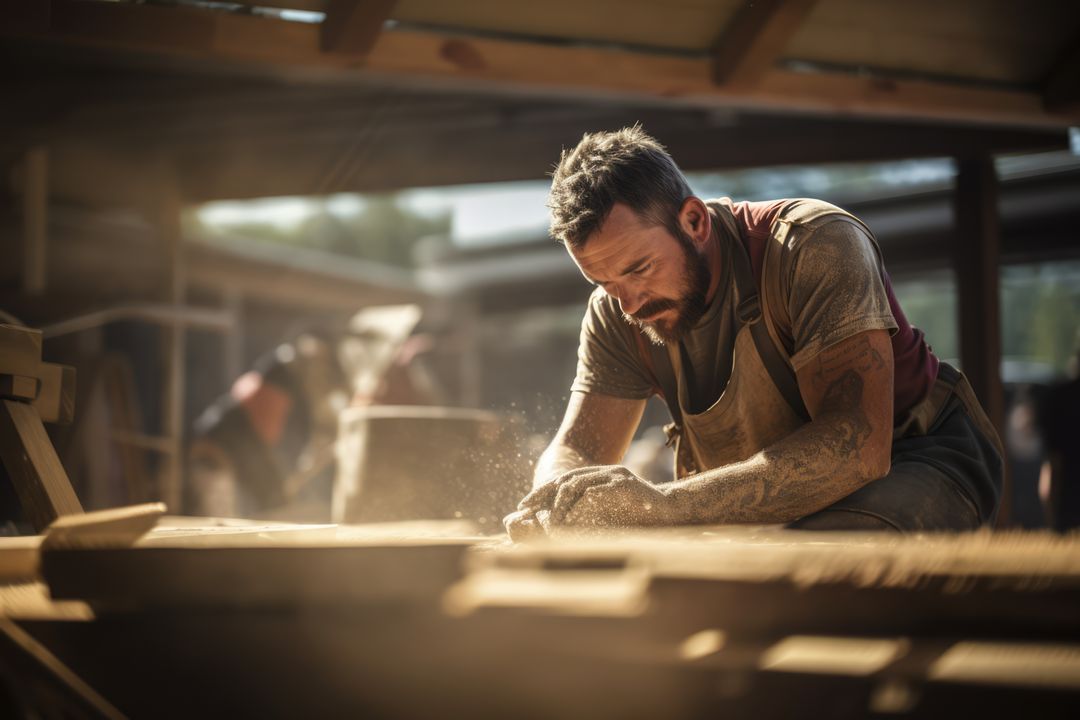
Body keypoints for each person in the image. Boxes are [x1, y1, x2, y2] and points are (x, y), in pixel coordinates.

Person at [504, 126, 1002, 539]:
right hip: (765, 499)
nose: (629, 303)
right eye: (604, 282)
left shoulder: (813, 246)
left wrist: (662, 506)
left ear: (694, 220)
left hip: (915, 458)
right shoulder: (617, 309)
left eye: (640, 270)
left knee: (803, 568)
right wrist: (556, 502)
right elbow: (581, 449)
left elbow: (858, 448)